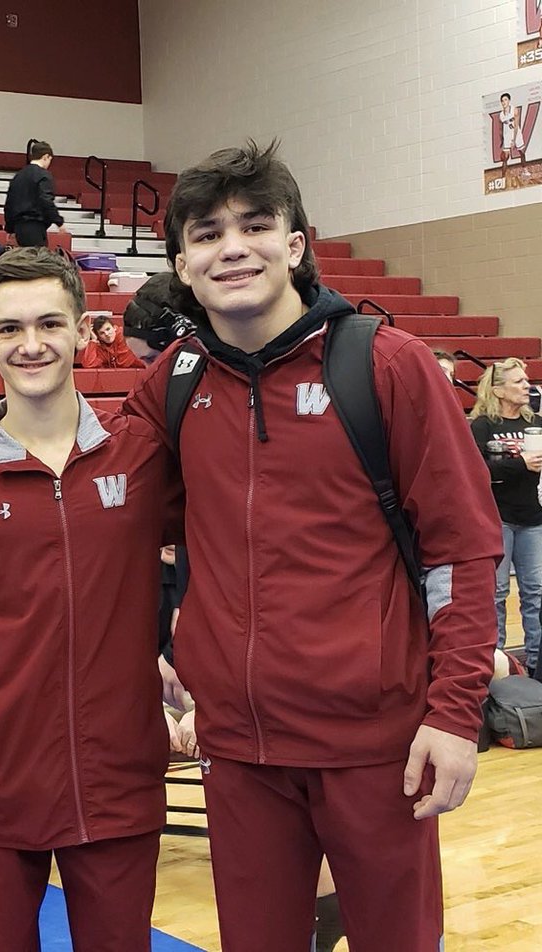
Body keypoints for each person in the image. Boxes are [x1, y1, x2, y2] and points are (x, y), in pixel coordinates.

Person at [117, 141, 503, 952]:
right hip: (241, 749)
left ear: (295, 244)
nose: (232, 247)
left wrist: (455, 713)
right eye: (207, 233)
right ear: (182, 264)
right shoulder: (178, 382)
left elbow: (462, 552)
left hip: (377, 746)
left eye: (255, 226)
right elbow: (98, 494)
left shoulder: (385, 365)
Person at [0, 247, 183, 951]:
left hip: (119, 773)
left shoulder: (141, 455)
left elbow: (231, 547)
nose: (30, 345)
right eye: (9, 329)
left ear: (81, 329)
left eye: (49, 325)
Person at [469, 358, 542, 674]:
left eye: (526, 381)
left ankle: (537, 662)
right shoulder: (483, 425)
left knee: (535, 593)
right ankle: (497, 665)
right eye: (518, 382)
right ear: (497, 390)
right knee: (495, 594)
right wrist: (519, 464)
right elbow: (474, 471)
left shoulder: (536, 422)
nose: (528, 386)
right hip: (496, 518)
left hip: (533, 518)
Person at [3, 140, 65, 248]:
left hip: (19, 227)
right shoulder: (43, 175)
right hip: (35, 226)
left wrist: (9, 228)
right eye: (50, 159)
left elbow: (9, 204)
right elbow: (46, 200)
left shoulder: (18, 175)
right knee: (37, 261)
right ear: (45, 156)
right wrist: (58, 221)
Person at [77, 314, 145, 368]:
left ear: (114, 327)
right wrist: (94, 340)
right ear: (99, 337)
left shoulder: (124, 335)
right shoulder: (100, 345)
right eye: (102, 333)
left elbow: (124, 362)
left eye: (108, 329)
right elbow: (88, 364)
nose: (107, 334)